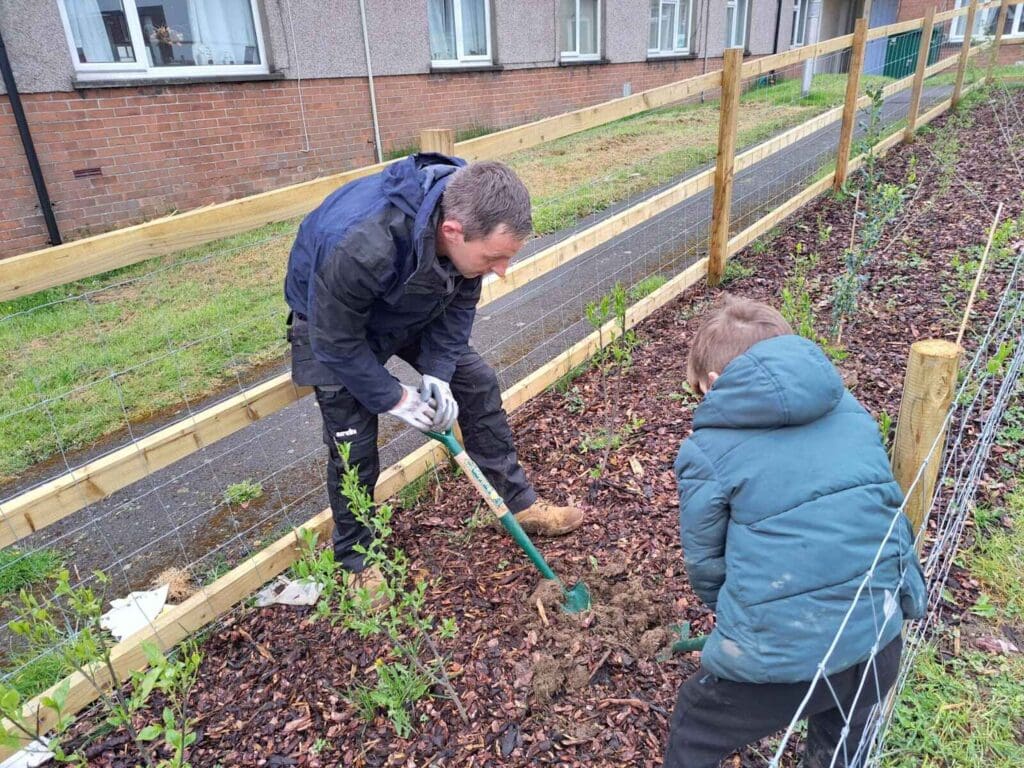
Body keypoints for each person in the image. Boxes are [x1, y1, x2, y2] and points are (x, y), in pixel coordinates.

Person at [284, 153, 584, 590]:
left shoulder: (470, 210)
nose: (501, 271)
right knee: (353, 442)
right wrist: (397, 397)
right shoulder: (359, 244)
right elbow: (335, 341)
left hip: (408, 300)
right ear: (452, 232)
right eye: (494, 257)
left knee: (476, 384)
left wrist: (439, 372)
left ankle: (517, 503)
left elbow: (460, 303)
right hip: (332, 321)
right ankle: (355, 561)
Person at [664, 296, 927, 768]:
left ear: (718, 383)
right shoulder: (851, 414)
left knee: (695, 724)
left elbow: (707, 566)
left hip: (785, 663)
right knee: (845, 723)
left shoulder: (709, 449)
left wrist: (740, 621)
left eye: (703, 391)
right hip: (879, 636)